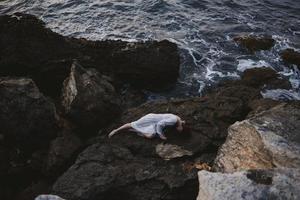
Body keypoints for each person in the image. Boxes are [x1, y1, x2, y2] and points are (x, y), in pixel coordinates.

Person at [108, 113, 185, 140]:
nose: (177, 130)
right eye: (179, 130)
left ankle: (134, 130)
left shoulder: (179, 121)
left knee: (150, 136)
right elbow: (160, 124)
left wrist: (181, 124)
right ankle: (116, 130)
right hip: (150, 119)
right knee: (134, 124)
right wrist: (161, 135)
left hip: (154, 122)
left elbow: (179, 120)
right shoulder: (174, 120)